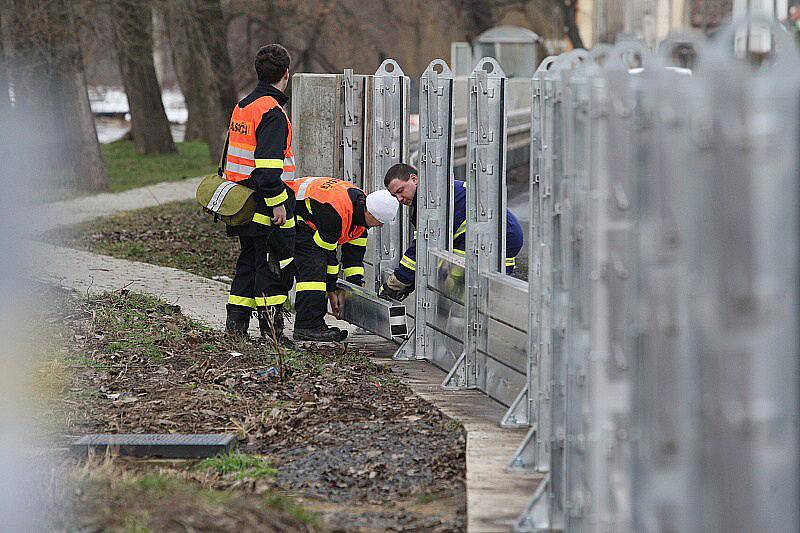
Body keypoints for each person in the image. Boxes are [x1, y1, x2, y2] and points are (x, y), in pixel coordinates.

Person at [223, 44, 297, 346]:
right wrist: (278, 203)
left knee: (249, 261)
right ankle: (272, 332)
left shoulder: (243, 106)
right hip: (264, 201)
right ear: (286, 74)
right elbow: (268, 170)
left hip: (239, 201)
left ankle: (236, 326)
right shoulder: (273, 113)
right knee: (272, 264)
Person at [379, 163, 524, 300]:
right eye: (394, 196)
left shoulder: (431, 201)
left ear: (414, 179)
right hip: (504, 233)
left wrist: (396, 283)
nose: (399, 199)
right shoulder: (433, 192)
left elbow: (420, 249)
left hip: (494, 236)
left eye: (400, 191)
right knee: (483, 292)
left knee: (452, 285)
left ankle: (457, 323)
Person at [286, 176, 399, 341]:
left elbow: (353, 257)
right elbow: (328, 256)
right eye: (379, 221)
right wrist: (332, 289)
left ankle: (313, 323)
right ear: (368, 212)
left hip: (311, 213)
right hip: (294, 215)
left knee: (318, 265)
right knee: (315, 268)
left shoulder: (362, 214)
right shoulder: (336, 213)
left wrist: (354, 287)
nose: (380, 226)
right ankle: (308, 325)